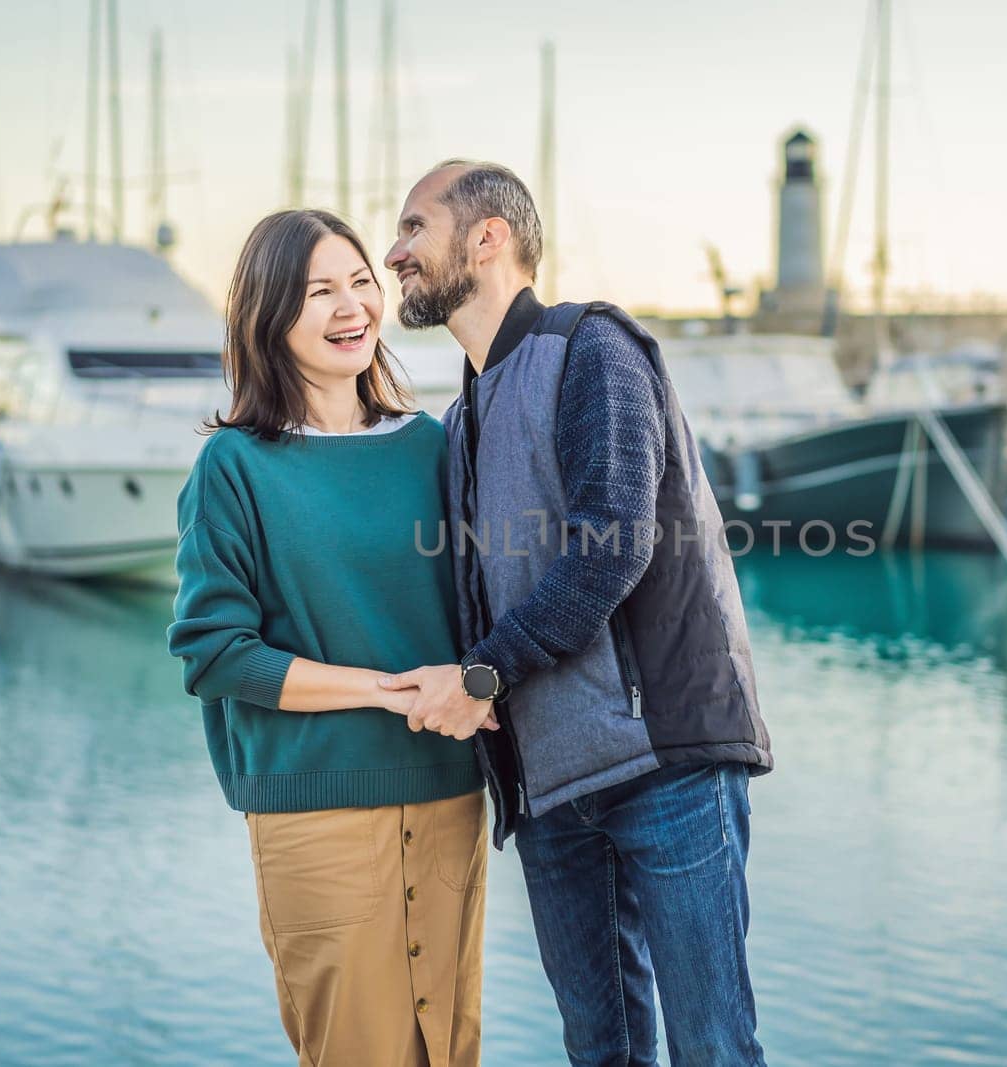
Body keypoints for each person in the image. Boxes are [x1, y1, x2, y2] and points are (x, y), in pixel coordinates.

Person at [379, 160, 774, 1066]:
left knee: (712, 1048)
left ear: (488, 237)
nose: (395, 252)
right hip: (551, 789)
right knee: (600, 1050)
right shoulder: (463, 416)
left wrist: (481, 677)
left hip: (665, 764)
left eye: (412, 228)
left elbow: (612, 544)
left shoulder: (593, 346)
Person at [167, 209, 490, 1067]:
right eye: (320, 292)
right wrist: (384, 688)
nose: (352, 308)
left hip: (449, 794)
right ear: (270, 315)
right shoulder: (234, 466)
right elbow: (216, 652)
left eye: (360, 283)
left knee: (448, 1051)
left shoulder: (431, 445)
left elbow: (481, 610)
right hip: (315, 807)